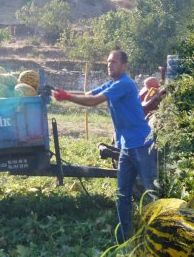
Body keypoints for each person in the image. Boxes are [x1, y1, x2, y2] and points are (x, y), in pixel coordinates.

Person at [52, 50, 156, 243]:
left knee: (152, 192)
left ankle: (161, 235)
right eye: (108, 62)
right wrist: (63, 93)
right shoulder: (113, 83)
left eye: (114, 62)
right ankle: (126, 238)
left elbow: (93, 101)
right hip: (126, 147)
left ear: (124, 66)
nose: (110, 65)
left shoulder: (125, 84)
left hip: (142, 145)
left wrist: (67, 97)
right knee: (122, 194)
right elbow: (87, 94)